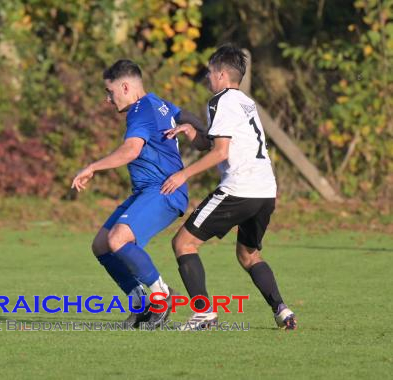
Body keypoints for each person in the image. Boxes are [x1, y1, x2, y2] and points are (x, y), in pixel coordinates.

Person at [162, 45, 297, 330]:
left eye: (210, 72)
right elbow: (217, 145)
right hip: (265, 191)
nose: (208, 77)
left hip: (240, 188)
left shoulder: (219, 101)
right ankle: (282, 310)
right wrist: (192, 133)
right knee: (249, 255)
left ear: (222, 74)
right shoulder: (245, 102)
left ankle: (204, 313)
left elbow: (221, 153)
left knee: (183, 243)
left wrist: (183, 174)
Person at [71, 59, 205, 328]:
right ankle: (140, 304)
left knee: (118, 239)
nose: (108, 100)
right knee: (101, 245)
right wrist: (203, 134)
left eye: (109, 92)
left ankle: (161, 295)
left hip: (164, 190)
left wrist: (92, 167)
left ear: (124, 86)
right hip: (148, 190)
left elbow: (131, 150)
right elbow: (186, 117)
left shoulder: (140, 110)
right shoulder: (157, 102)